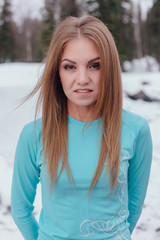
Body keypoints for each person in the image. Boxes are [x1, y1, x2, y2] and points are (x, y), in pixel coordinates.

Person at [11, 16, 152, 240]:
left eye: (95, 66)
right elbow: (20, 210)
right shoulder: (34, 135)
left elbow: (133, 207)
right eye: (70, 67)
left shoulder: (135, 130)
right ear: (57, 72)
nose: (82, 78)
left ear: (110, 69)